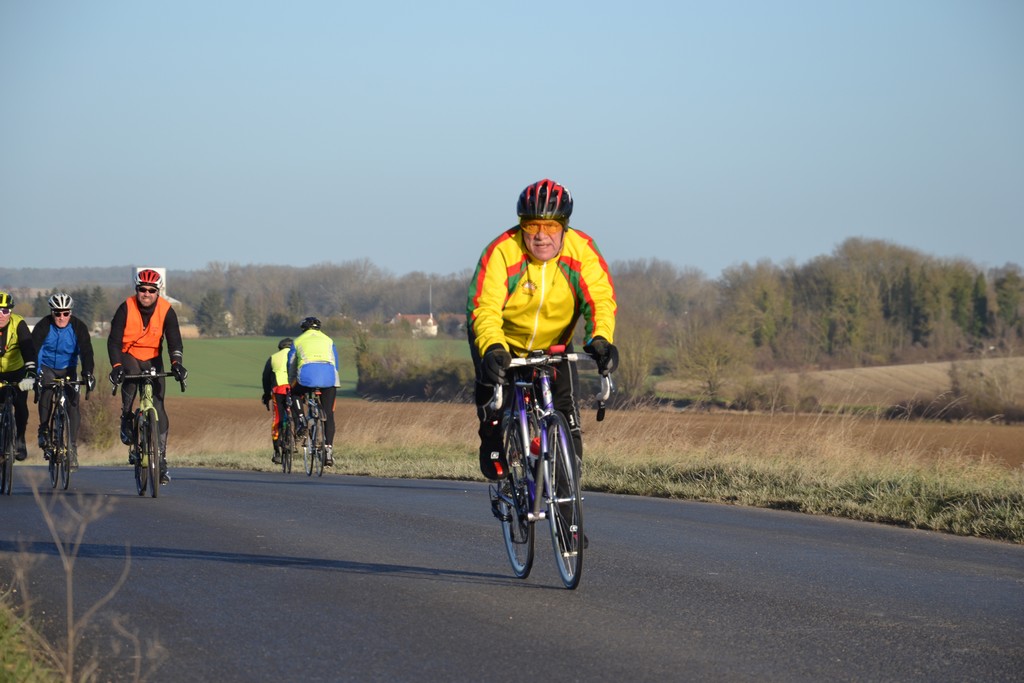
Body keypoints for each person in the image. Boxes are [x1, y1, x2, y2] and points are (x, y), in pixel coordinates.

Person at [466, 179, 619, 483]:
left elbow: (600, 300)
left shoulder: (582, 250)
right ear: (521, 224)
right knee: (492, 385)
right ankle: (491, 433)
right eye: (532, 225)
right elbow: (485, 308)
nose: (540, 235)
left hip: (555, 344)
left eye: (551, 226)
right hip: (504, 340)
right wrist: (493, 347)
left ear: (565, 226)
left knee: (567, 416)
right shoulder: (502, 251)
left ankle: (568, 505)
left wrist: (600, 339)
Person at [107, 269, 187, 485]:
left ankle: (161, 460)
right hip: (129, 354)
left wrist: (176, 364)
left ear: (158, 292)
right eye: (143, 289)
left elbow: (174, 341)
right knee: (132, 377)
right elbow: (113, 341)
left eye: (152, 290)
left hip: (153, 357)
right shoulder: (126, 307)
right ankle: (126, 416)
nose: (147, 294)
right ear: (137, 289)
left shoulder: (166, 310)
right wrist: (116, 366)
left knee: (159, 406)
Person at [32, 292, 96, 470]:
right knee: (46, 392)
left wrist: (87, 373)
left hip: (68, 368)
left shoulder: (78, 327)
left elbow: (86, 352)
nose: (61, 317)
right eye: (57, 313)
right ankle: (44, 429)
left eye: (65, 313)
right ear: (52, 312)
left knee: (73, 404)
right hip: (47, 367)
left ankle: (72, 448)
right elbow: (35, 350)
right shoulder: (43, 325)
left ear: (70, 313)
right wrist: (36, 374)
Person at [288, 317, 339, 466]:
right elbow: (336, 364)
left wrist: (291, 381)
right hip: (328, 378)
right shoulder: (329, 340)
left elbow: (291, 364)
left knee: (294, 393)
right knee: (329, 414)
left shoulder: (298, 341)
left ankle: (302, 420)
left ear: (303, 329)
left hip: (306, 377)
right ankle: (328, 451)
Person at [0, 291, 37, 461]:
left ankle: (20, 439)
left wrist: (30, 373)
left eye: (5, 311)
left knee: (20, 405)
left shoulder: (19, 324)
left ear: (11, 312)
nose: (1, 315)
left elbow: (28, 349)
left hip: (17, 370)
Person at [261, 337, 293, 465]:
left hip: (279, 390)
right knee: (296, 412)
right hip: (294, 389)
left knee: (278, 419)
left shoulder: (273, 357)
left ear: (280, 348)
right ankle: (296, 436)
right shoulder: (296, 355)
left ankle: (277, 452)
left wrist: (266, 394)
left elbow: (265, 377)